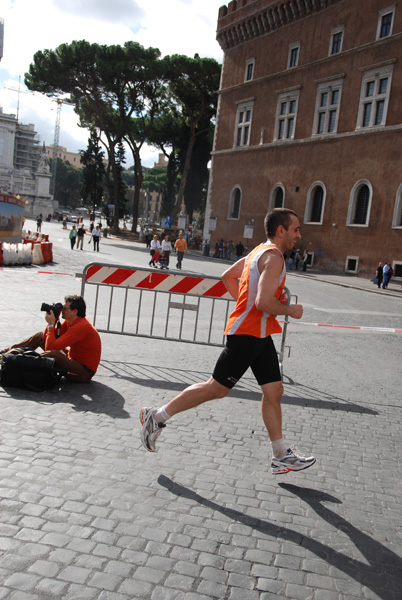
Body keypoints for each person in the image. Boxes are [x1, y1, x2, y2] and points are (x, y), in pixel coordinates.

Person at [140, 208, 316, 475]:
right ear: (281, 230)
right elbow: (263, 301)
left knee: (274, 391)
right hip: (247, 334)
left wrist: (247, 307)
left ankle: (280, 454)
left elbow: (228, 277)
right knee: (216, 389)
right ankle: (157, 416)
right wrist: (290, 310)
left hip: (259, 333)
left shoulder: (257, 252)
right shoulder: (274, 258)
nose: (298, 235)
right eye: (296, 229)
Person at [0, 295, 101, 383]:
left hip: (83, 373)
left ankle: (19, 363)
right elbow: (46, 337)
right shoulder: (71, 321)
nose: (63, 310)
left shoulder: (81, 327)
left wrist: (51, 324)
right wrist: (54, 319)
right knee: (39, 336)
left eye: (65, 308)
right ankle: (5, 354)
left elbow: (50, 347)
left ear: (75, 311)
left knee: (54, 354)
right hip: (73, 360)